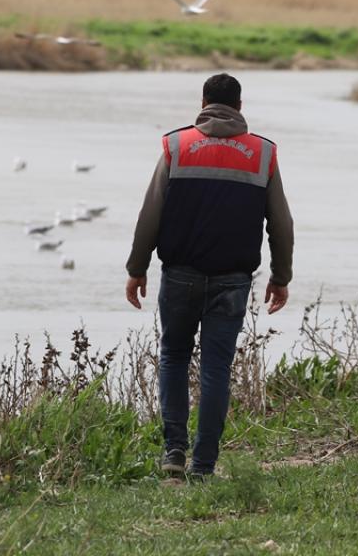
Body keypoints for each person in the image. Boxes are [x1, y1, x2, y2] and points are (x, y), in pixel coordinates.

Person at [124, 73, 294, 479]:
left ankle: (173, 453)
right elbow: (282, 224)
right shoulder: (263, 154)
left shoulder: (176, 147)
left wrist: (136, 268)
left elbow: (150, 213)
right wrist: (280, 276)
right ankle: (203, 465)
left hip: (180, 274)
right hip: (232, 280)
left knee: (174, 358)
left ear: (202, 103)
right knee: (217, 368)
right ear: (239, 107)